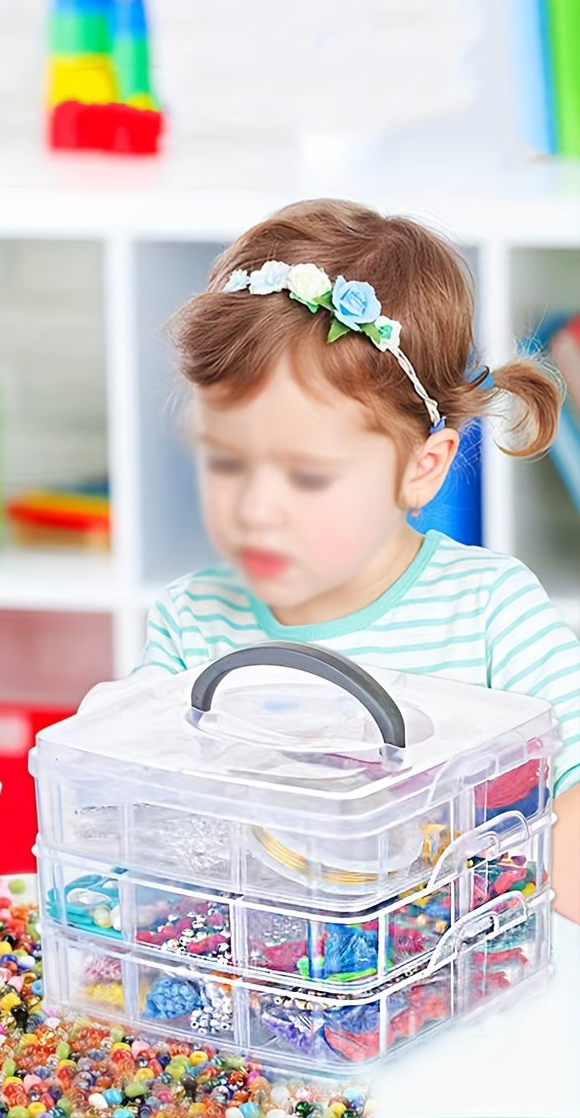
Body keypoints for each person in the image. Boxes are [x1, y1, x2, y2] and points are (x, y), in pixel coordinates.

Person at [140, 198, 580, 921]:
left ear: (423, 467)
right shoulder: (193, 622)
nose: (255, 508)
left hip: (459, 971)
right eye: (224, 462)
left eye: (307, 476)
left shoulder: (490, 610)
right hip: (259, 984)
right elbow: (144, 803)